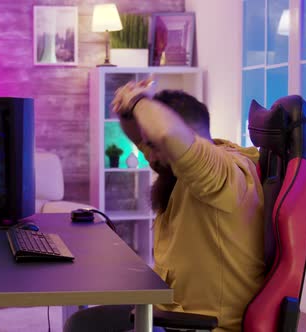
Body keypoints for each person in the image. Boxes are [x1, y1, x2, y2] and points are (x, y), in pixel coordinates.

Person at [64, 80, 265, 332]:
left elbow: (167, 134)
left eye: (152, 146)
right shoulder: (181, 167)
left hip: (203, 326)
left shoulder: (222, 173)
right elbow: (153, 137)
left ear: (187, 136)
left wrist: (140, 101)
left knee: (83, 327)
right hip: (171, 313)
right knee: (83, 322)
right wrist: (127, 109)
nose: (148, 155)